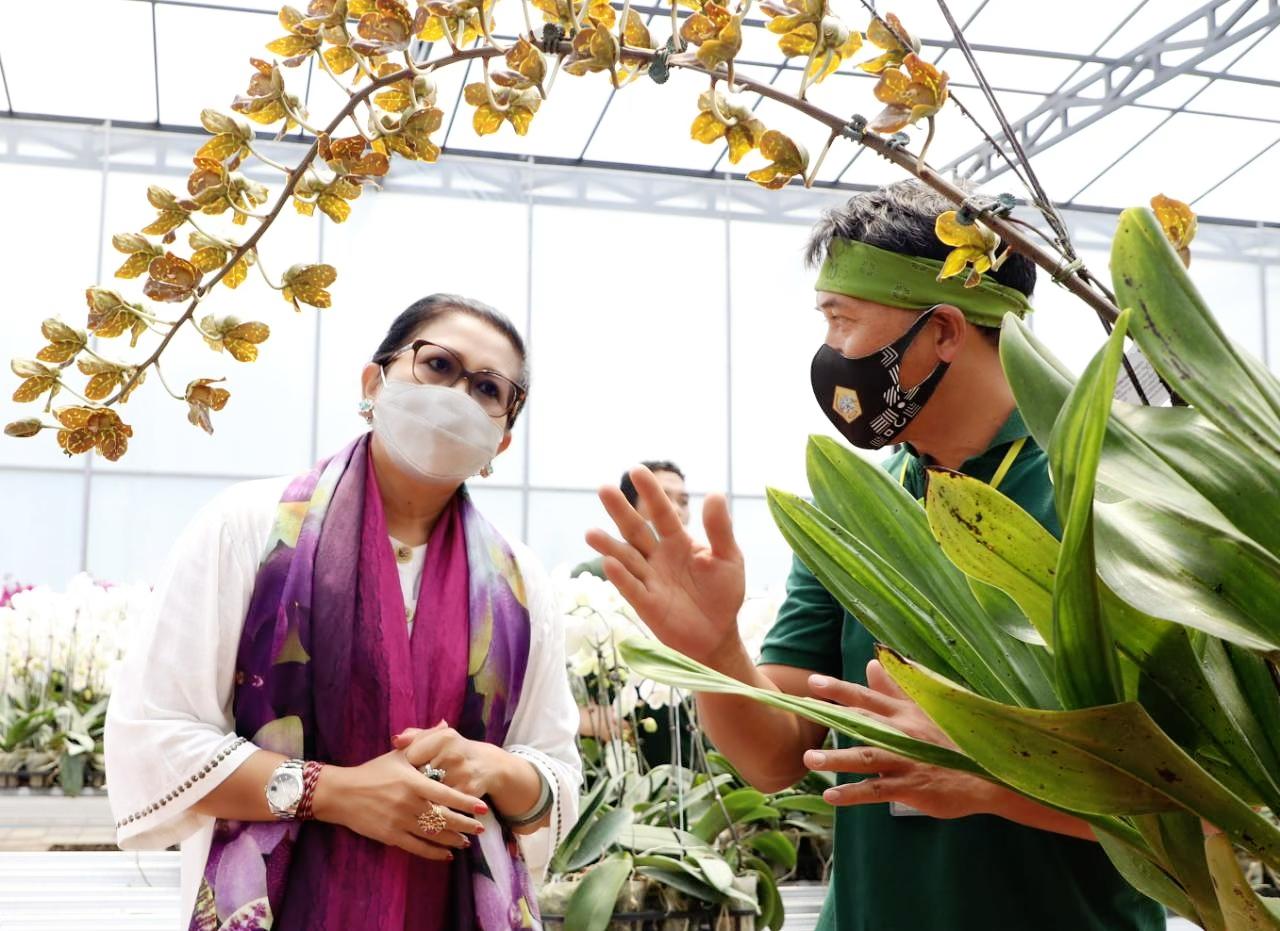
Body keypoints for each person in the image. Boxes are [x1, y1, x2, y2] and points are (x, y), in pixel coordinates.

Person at [586, 182, 1163, 930]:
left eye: (843, 321)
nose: (830, 353)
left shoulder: (1108, 491)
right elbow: (776, 759)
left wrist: (995, 778)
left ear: (943, 331)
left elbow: (1209, 809)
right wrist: (715, 650)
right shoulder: (854, 509)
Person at [105, 294, 580, 930]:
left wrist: (491, 765)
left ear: (503, 438)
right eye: (439, 365)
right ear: (373, 382)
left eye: (488, 389)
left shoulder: (518, 585)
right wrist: (335, 793)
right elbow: (154, 734)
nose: (459, 396)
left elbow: (556, 775)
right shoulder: (248, 529)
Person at [571, 460, 690, 581]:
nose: (676, 510)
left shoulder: (695, 574)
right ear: (629, 507)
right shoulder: (591, 575)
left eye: (683, 502)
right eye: (662, 500)